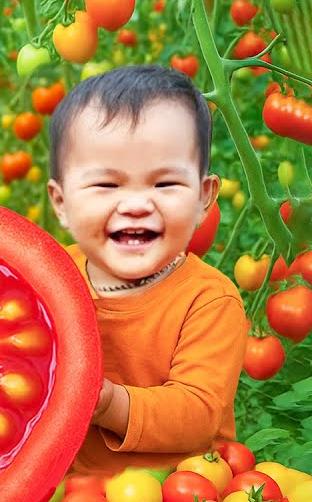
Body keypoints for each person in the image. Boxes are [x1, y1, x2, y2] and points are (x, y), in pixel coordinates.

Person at [46, 64, 248, 476]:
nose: (136, 205)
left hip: (182, 495)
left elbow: (198, 414)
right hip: (71, 499)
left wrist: (110, 404)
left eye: (164, 184)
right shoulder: (50, 277)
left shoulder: (209, 301)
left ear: (204, 198)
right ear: (61, 203)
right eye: (106, 185)